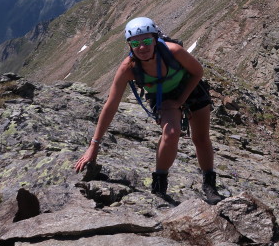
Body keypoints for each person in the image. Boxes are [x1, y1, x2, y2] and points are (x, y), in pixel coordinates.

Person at [74, 16, 224, 205]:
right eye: (136, 43)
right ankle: (159, 186)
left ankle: (209, 186)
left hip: (190, 88)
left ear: (155, 40)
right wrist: (94, 144)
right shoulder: (128, 68)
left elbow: (198, 72)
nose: (142, 47)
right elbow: (111, 105)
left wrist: (180, 100)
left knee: (201, 138)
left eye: (146, 41)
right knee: (170, 133)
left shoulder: (174, 52)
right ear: (129, 45)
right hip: (163, 97)